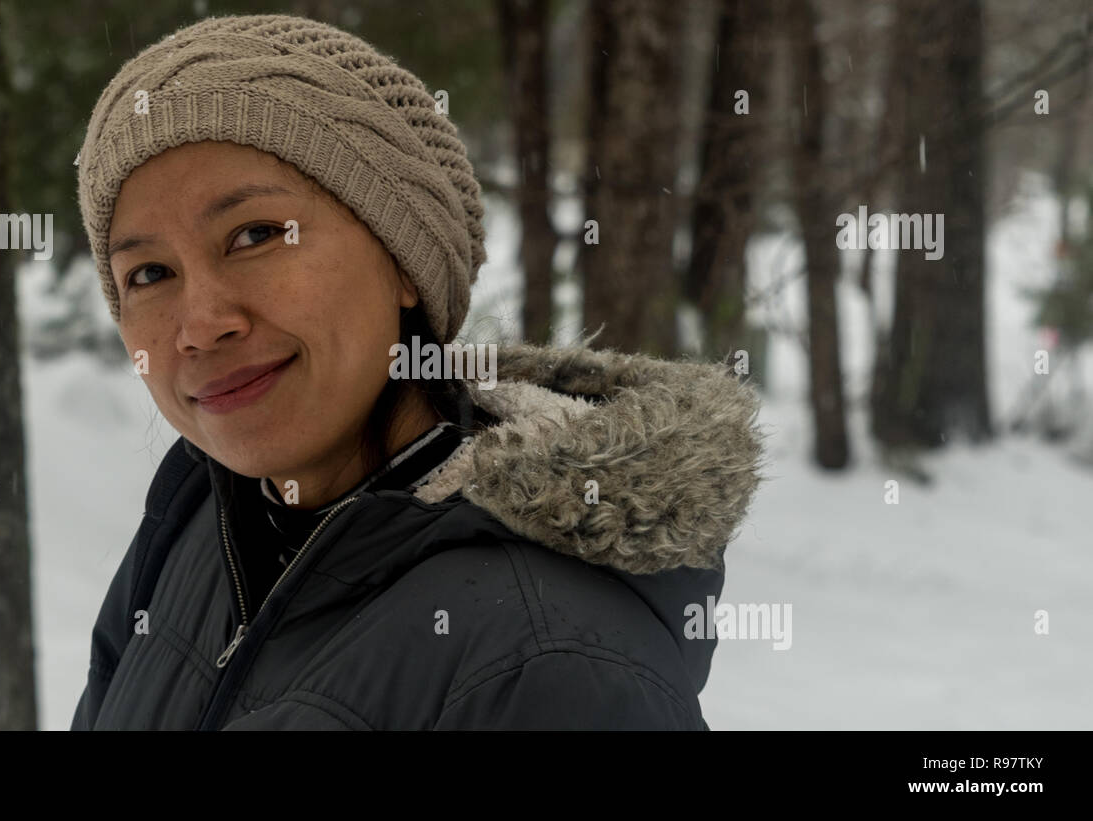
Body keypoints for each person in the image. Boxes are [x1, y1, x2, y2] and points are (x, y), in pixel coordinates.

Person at [70, 13, 765, 731]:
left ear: (402, 260)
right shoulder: (199, 518)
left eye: (256, 234)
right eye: (149, 272)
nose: (200, 323)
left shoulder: (549, 667)